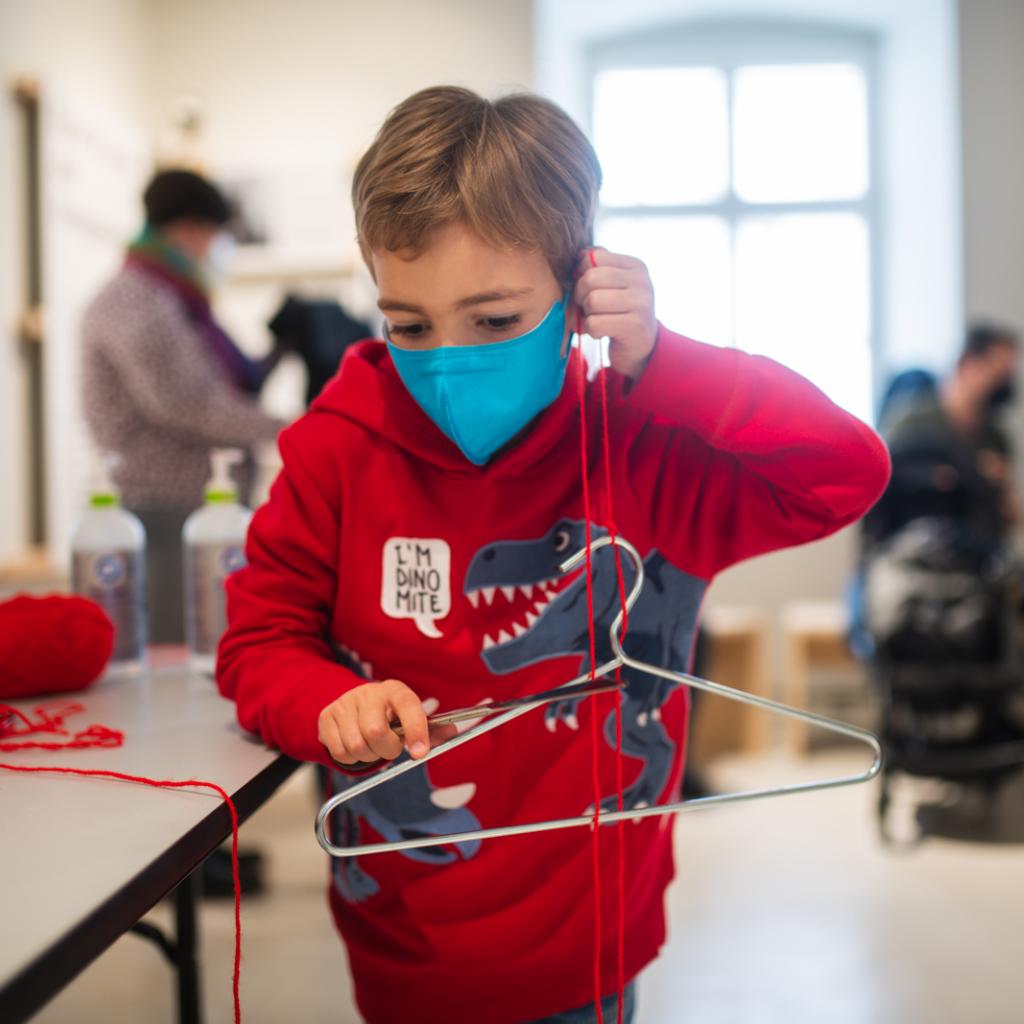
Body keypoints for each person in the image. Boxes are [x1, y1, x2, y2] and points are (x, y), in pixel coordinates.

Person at [216, 86, 890, 1024]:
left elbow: (844, 472)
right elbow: (258, 641)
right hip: (404, 941)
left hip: (592, 941)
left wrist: (666, 361)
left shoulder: (643, 446)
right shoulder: (336, 450)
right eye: (409, 324)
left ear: (579, 291)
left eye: (492, 320)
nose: (447, 357)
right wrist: (327, 700)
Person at [81, 169, 287, 644]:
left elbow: (211, 388)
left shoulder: (169, 298)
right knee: (178, 651)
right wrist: (295, 426)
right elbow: (187, 403)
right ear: (189, 229)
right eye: (214, 235)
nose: (215, 249)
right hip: (163, 509)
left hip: (187, 509)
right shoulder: (139, 301)